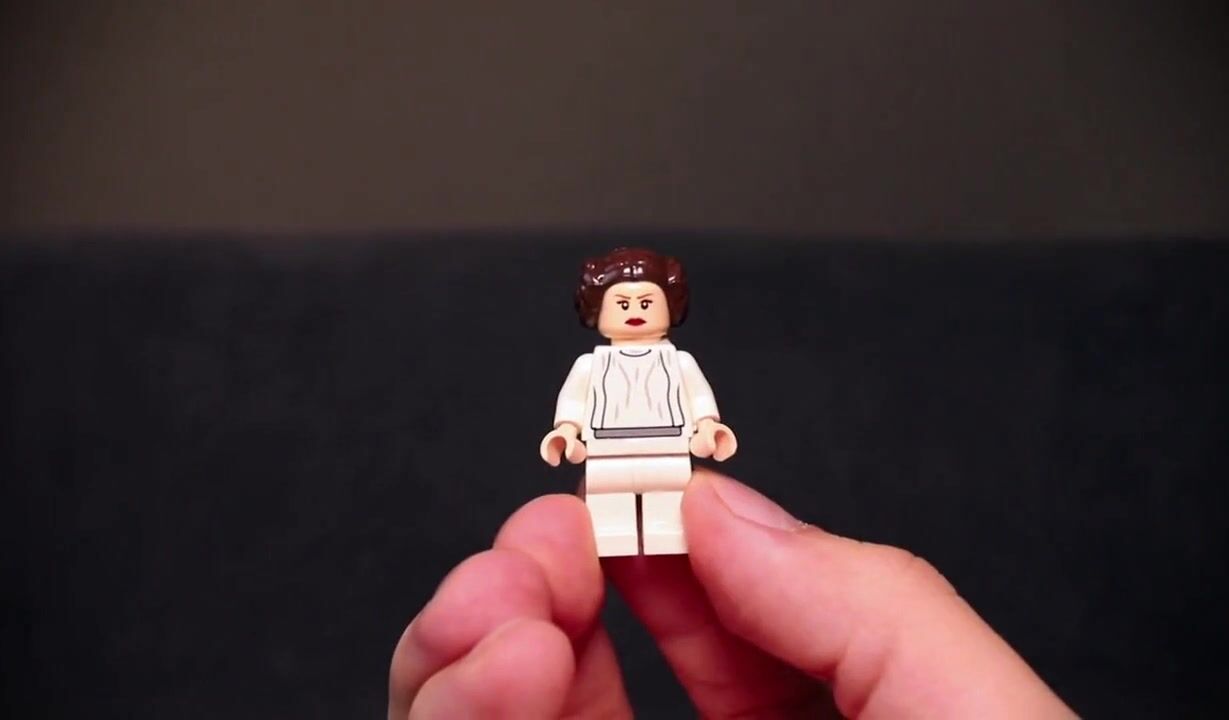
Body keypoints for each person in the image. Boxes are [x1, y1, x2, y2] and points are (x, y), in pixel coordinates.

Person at [387, 469, 1076, 718]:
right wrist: (568, 432)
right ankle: (620, 533)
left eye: (646, 302)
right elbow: (574, 408)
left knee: (660, 509)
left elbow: (695, 406)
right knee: (606, 511)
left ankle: (650, 532)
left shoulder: (673, 366)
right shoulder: (595, 369)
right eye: (622, 304)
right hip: (614, 456)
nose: (634, 312)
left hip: (661, 455)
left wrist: (705, 428)